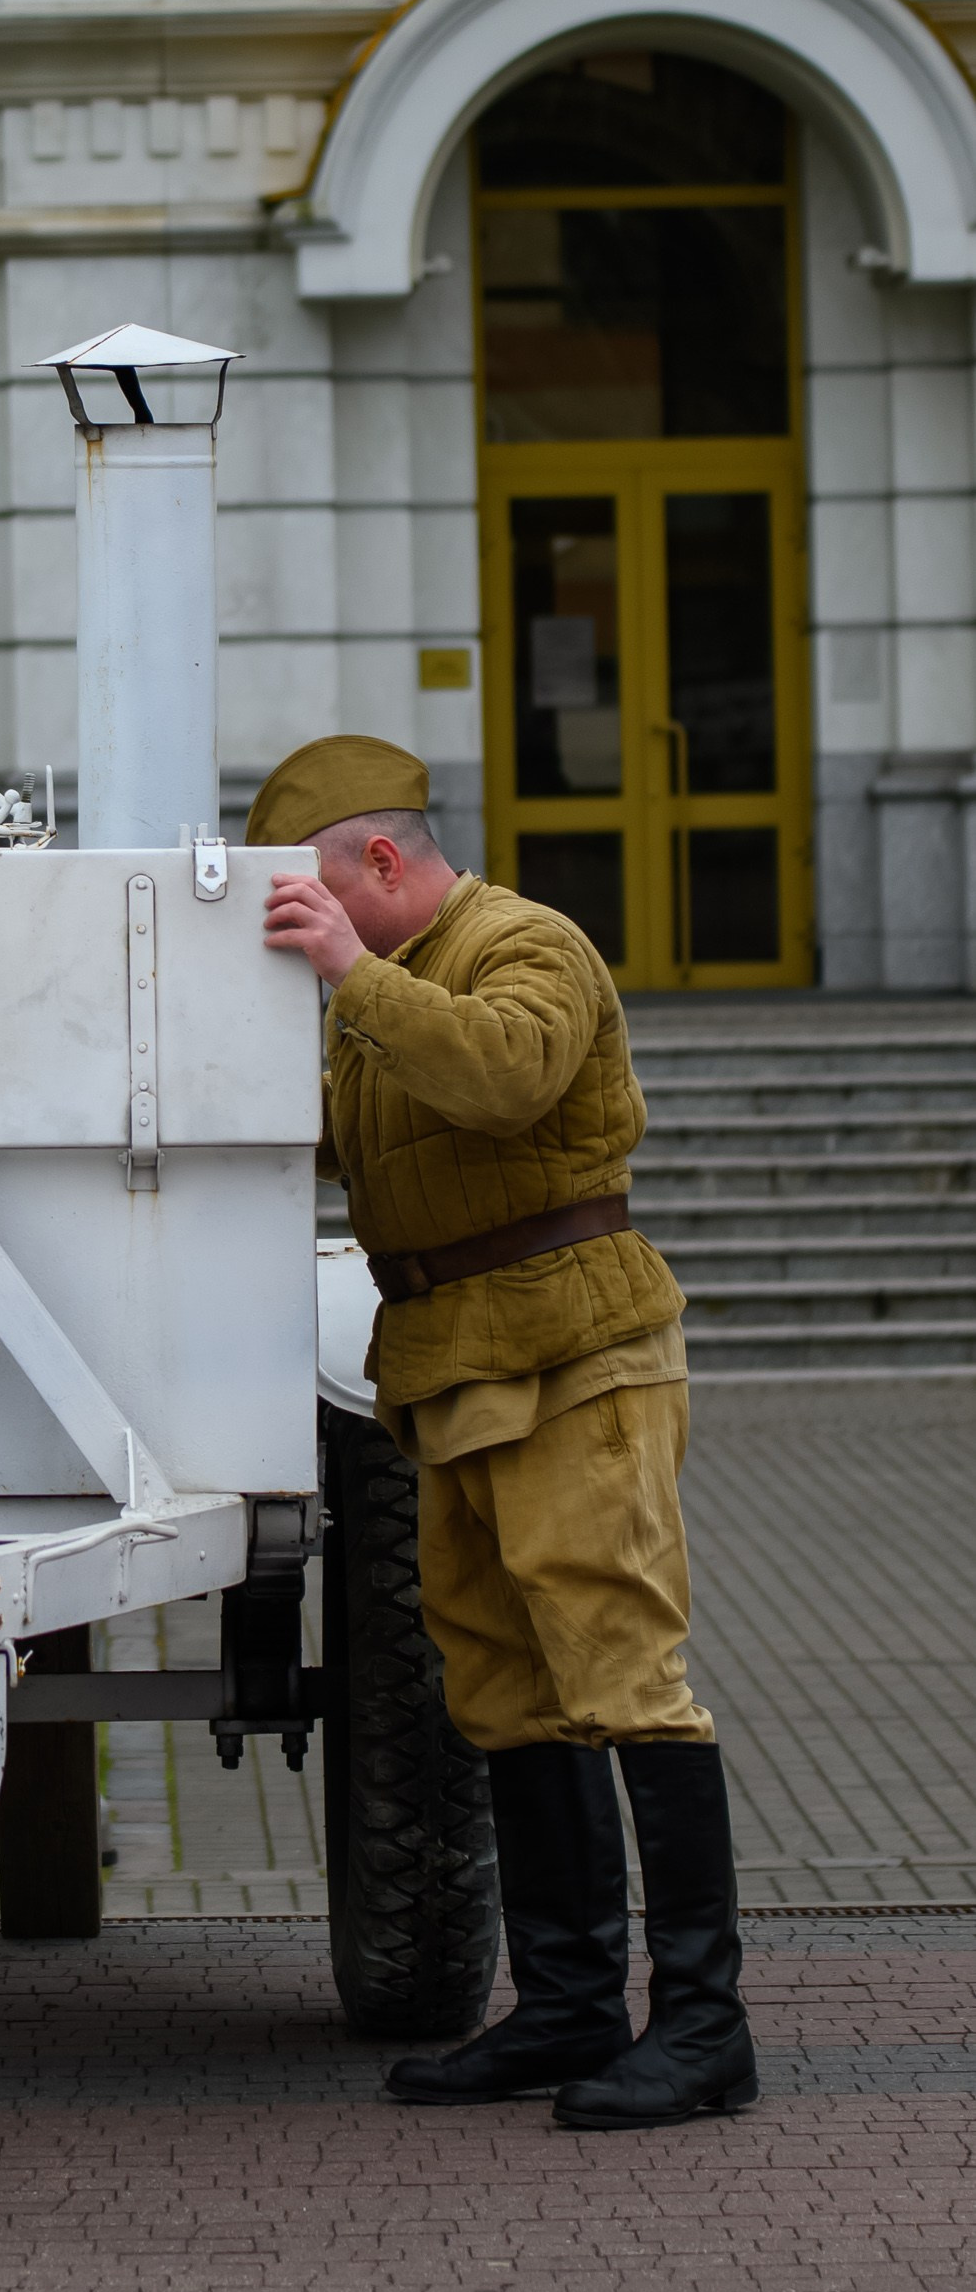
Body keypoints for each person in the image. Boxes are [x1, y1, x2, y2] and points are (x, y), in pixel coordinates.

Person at [252, 733, 754, 2130]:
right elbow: (350, 1145)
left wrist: (348, 980)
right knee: (505, 1692)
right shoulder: (387, 993)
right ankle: (572, 2009)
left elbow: (510, 1075)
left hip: (574, 1358)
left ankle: (705, 2028)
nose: (312, 935)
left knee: (622, 1674)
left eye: (318, 903)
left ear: (381, 862)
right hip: (456, 1365)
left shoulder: (526, 944)